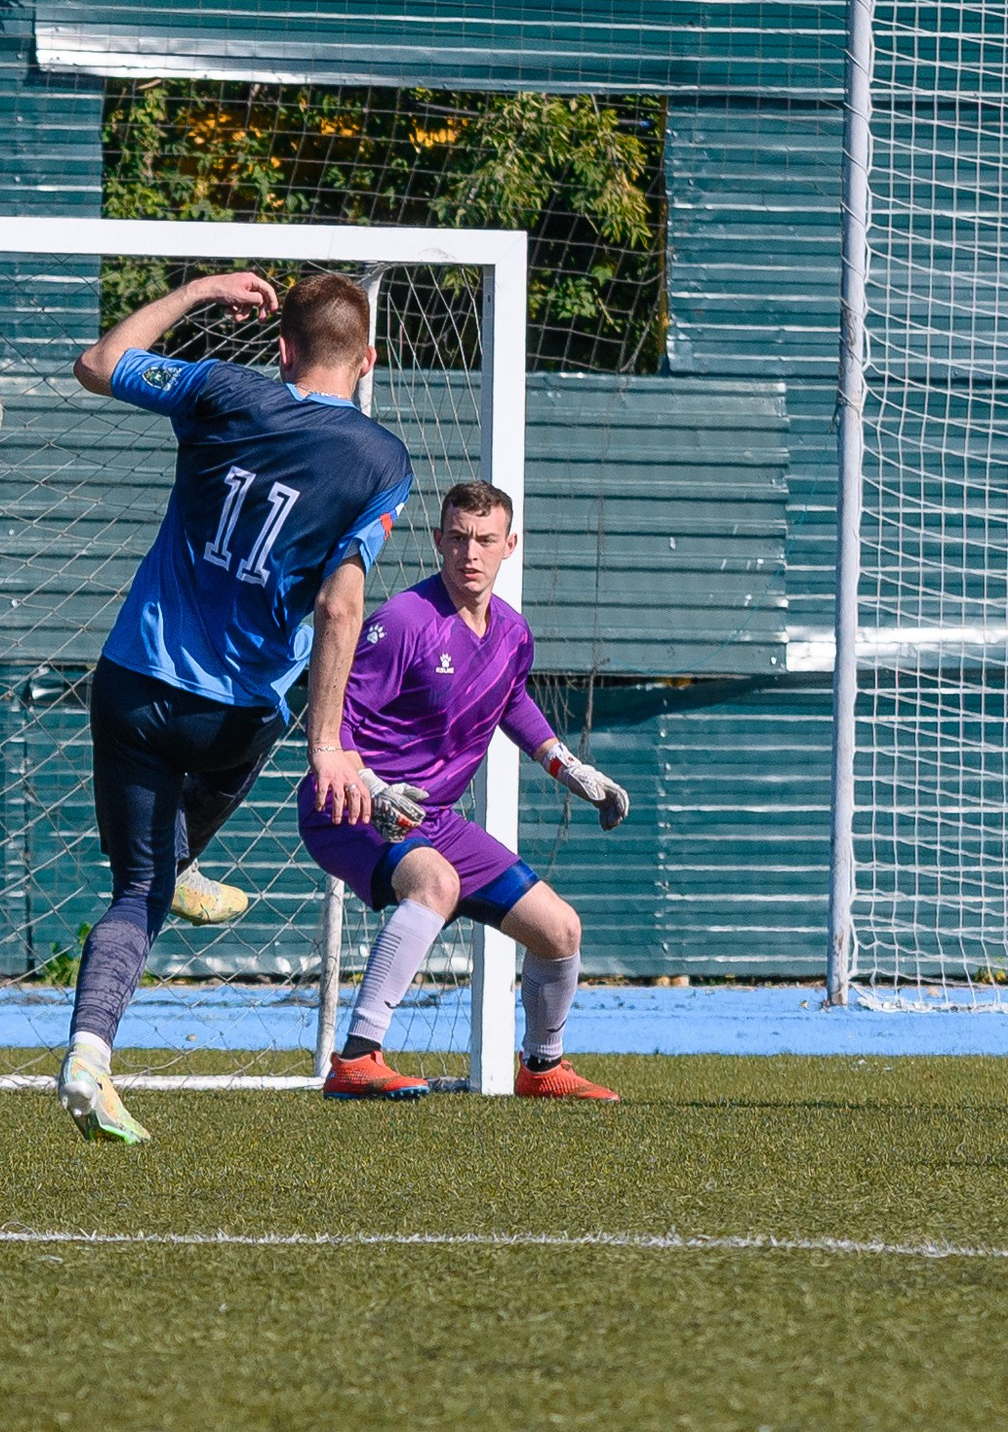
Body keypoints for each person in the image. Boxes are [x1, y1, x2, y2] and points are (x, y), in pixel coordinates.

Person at [62, 269, 414, 1144]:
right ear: (367, 359)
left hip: (132, 681)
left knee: (134, 889)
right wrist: (328, 742)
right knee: (165, 860)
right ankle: (179, 865)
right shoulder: (379, 461)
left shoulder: (223, 387)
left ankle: (89, 1052)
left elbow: (99, 363)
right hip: (235, 717)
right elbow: (341, 603)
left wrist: (195, 292)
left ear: (282, 347)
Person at [303, 479, 632, 1101]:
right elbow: (335, 715)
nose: (469, 554)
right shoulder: (403, 620)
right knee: (436, 884)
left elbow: (511, 703)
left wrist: (569, 768)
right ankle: (356, 1058)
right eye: (457, 538)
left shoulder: (512, 632)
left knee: (560, 930)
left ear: (510, 545)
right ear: (439, 542)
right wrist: (370, 784)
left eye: (484, 540)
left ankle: (542, 1069)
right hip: (349, 807)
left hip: (436, 820)